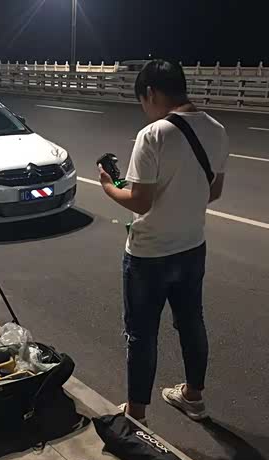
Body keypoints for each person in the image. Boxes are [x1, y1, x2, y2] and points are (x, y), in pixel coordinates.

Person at [98, 59, 229, 424]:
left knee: (141, 333)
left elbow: (139, 200)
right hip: (192, 247)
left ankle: (136, 414)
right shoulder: (217, 129)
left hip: (149, 254)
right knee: (191, 322)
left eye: (143, 101)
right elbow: (213, 192)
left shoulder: (153, 134)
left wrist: (108, 185)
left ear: (151, 93)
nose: (145, 109)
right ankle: (193, 397)